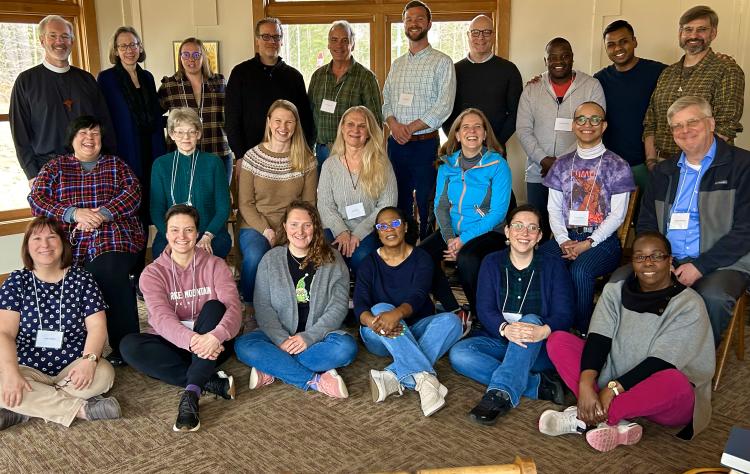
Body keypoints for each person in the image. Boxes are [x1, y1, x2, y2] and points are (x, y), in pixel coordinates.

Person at [540, 232, 714, 451]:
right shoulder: (615, 291)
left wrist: (612, 390)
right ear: (632, 262)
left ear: (670, 261)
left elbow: (661, 362)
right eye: (640, 257)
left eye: (657, 256)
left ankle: (584, 417)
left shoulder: (689, 304)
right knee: (558, 341)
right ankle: (612, 421)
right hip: (613, 375)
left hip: (665, 395)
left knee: (674, 380)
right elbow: (598, 339)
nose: (648, 262)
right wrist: (586, 384)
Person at [28, 115, 144, 367]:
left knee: (106, 271)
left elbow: (133, 195)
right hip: (71, 239)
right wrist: (73, 213)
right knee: (62, 275)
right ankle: (71, 344)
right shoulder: (55, 168)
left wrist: (101, 215)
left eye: (95, 134)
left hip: (115, 236)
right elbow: (36, 200)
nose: (89, 139)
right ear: (72, 138)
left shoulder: (117, 165)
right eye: (83, 133)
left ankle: (125, 345)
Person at [637, 96, 750, 345]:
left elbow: (745, 231)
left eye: (692, 122)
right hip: (668, 259)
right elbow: (646, 225)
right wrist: (658, 260)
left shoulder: (743, 166)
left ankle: (693, 371)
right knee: (619, 283)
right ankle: (638, 358)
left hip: (722, 263)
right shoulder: (664, 172)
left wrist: (700, 266)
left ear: (711, 123)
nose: (685, 131)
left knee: (714, 297)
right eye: (677, 126)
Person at [449, 204, 574, 425]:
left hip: (538, 346)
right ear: (507, 232)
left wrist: (543, 330)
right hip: (502, 339)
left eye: (532, 228)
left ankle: (499, 394)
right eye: (517, 226)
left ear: (539, 236)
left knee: (531, 320)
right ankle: (538, 386)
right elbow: (485, 308)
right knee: (460, 353)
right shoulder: (491, 262)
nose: (524, 233)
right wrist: (505, 329)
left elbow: (565, 313)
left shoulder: (553, 265)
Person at [120, 205, 242, 432]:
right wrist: (195, 342)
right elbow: (162, 319)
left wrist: (215, 337)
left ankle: (192, 394)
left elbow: (234, 309)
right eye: (175, 230)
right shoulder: (153, 273)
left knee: (216, 307)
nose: (182, 237)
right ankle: (209, 379)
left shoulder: (216, 265)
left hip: (214, 340)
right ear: (165, 234)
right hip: (181, 343)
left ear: (197, 233)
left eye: (188, 230)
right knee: (129, 346)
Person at [0, 217, 120, 430]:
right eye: (36, 238)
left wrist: (89, 361)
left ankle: (23, 408)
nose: (44, 245)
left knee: (104, 374)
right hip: (26, 365)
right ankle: (83, 410)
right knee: (3, 381)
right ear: (27, 247)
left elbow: (97, 327)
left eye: (51, 237)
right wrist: (11, 374)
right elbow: (4, 333)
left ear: (63, 243)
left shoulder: (82, 279)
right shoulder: (16, 281)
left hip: (74, 364)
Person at [234, 201, 358, 398]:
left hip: (319, 337)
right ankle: (316, 381)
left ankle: (272, 366)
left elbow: (338, 307)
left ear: (315, 227)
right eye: (294, 224)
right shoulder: (270, 259)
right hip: (277, 337)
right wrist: (282, 340)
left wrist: (308, 337)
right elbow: (263, 306)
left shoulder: (333, 260)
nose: (300, 231)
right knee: (243, 345)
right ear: (284, 226)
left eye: (307, 225)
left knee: (346, 349)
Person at [356, 206, 462, 416]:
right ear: (377, 232)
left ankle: (393, 377)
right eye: (382, 226)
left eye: (395, 223)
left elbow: (418, 295)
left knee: (453, 322)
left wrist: (396, 315)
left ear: (405, 226)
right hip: (378, 334)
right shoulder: (369, 263)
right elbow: (359, 304)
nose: (389, 229)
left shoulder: (421, 258)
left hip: (414, 328)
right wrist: (374, 321)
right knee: (380, 308)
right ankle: (426, 381)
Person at [538, 102, 634, 333]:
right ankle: (545, 325)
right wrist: (562, 240)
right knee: (538, 261)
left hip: (603, 241)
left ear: (604, 126)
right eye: (581, 119)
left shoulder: (618, 165)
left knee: (580, 271)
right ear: (573, 125)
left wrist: (589, 242)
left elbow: (618, 215)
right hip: (566, 236)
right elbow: (553, 208)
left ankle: (582, 332)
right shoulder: (561, 164)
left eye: (594, 119)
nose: (587, 124)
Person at [419, 108, 512, 320]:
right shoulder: (446, 163)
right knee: (421, 255)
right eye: (466, 127)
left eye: (477, 126)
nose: (472, 131)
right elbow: (440, 206)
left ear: (485, 134)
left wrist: (462, 242)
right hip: (454, 231)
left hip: (488, 232)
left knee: (468, 259)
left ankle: (482, 316)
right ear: (458, 135)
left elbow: (498, 213)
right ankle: (454, 309)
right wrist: (451, 238)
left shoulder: (498, 164)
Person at [9, 15, 115, 184]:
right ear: (42, 40)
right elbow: (20, 134)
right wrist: (32, 174)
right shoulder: (26, 81)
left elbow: (104, 124)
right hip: (47, 170)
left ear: (72, 41)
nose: (59, 41)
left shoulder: (86, 80)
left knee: (92, 212)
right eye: (53, 35)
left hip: (90, 168)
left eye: (65, 36)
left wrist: (108, 164)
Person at [382, 0, 456, 239]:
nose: (413, 23)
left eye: (419, 18)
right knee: (397, 198)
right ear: (403, 24)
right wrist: (394, 126)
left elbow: (444, 105)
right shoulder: (397, 64)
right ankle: (399, 249)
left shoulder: (442, 62)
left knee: (425, 201)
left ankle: (424, 250)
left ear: (429, 23)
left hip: (425, 144)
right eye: (408, 19)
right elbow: (386, 101)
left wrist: (410, 128)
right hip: (397, 145)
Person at [516, 37, 605, 235]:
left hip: (579, 173)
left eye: (565, 56)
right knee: (537, 229)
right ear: (545, 60)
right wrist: (544, 160)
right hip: (538, 172)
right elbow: (523, 129)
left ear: (572, 58)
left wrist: (560, 163)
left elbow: (593, 129)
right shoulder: (532, 88)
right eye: (553, 57)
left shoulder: (592, 86)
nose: (559, 61)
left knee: (572, 230)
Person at [97, 26, 166, 278]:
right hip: (125, 154)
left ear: (140, 47)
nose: (129, 50)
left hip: (152, 150)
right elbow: (105, 120)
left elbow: (156, 116)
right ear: (115, 51)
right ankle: (131, 271)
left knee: (149, 207)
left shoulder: (147, 77)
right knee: (130, 211)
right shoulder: (106, 79)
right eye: (123, 46)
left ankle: (144, 272)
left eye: (133, 44)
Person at [237, 100, 317, 318]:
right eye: (278, 121)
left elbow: (308, 204)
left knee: (306, 253)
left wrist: (292, 230)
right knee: (255, 255)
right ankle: (250, 308)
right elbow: (245, 203)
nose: (283, 127)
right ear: (269, 123)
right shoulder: (252, 157)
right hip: (255, 224)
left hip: (293, 224)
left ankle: (299, 309)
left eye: (289, 122)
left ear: (296, 125)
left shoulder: (306, 159)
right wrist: (266, 230)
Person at [643, 5, 745, 165]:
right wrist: (651, 160)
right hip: (661, 165)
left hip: (705, 165)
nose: (693, 35)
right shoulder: (667, 73)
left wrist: (692, 163)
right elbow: (651, 121)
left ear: (713, 33)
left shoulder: (727, 69)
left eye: (701, 29)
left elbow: (726, 125)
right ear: (680, 33)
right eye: (688, 29)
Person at [317, 106, 397, 273]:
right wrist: (342, 231)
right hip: (335, 228)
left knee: (361, 257)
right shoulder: (329, 165)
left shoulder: (382, 164)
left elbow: (386, 207)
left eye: (362, 126)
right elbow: (325, 205)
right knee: (327, 255)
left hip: (370, 229)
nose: (355, 130)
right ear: (342, 128)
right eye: (350, 124)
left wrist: (358, 233)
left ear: (369, 132)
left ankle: (362, 297)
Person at [225, 17, 314, 161]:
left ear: (282, 41)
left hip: (288, 158)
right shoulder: (240, 73)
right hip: (250, 156)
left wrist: (305, 151)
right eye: (266, 36)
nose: (272, 41)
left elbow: (305, 119)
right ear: (257, 40)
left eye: (276, 37)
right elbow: (232, 119)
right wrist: (240, 156)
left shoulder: (294, 77)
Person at [593, 20, 666, 192]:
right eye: (611, 44)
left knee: (650, 215)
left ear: (634, 41)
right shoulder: (600, 79)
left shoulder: (658, 72)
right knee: (617, 217)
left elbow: (688, 73)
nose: (618, 48)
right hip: (612, 165)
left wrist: (718, 59)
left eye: (623, 41)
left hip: (649, 162)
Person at [150, 108, 231, 259]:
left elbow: (223, 207)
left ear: (198, 134)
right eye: (180, 132)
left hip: (209, 233)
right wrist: (171, 237)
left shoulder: (214, 162)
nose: (185, 137)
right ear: (172, 134)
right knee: (162, 254)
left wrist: (207, 236)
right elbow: (156, 209)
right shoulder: (160, 165)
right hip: (173, 234)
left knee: (204, 255)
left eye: (191, 132)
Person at [308, 20, 382, 168]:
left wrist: (370, 155)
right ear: (328, 44)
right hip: (322, 151)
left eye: (345, 41)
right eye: (334, 40)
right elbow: (310, 115)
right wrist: (309, 150)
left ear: (352, 44)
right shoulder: (318, 76)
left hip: (353, 153)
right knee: (325, 191)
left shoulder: (366, 77)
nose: (339, 46)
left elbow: (375, 122)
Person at [443, 14, 522, 151]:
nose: (481, 37)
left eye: (486, 32)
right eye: (475, 32)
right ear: (468, 35)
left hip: (495, 149)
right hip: (460, 150)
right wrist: (458, 140)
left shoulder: (509, 70)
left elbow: (516, 113)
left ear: (494, 35)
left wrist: (495, 143)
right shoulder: (453, 71)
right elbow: (444, 110)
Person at [159, 37, 233, 183]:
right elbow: (154, 116)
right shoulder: (170, 85)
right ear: (180, 58)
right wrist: (173, 124)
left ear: (203, 57)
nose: (190, 59)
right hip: (183, 155)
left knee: (219, 199)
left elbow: (231, 115)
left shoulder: (219, 82)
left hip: (217, 151)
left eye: (196, 55)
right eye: (185, 55)